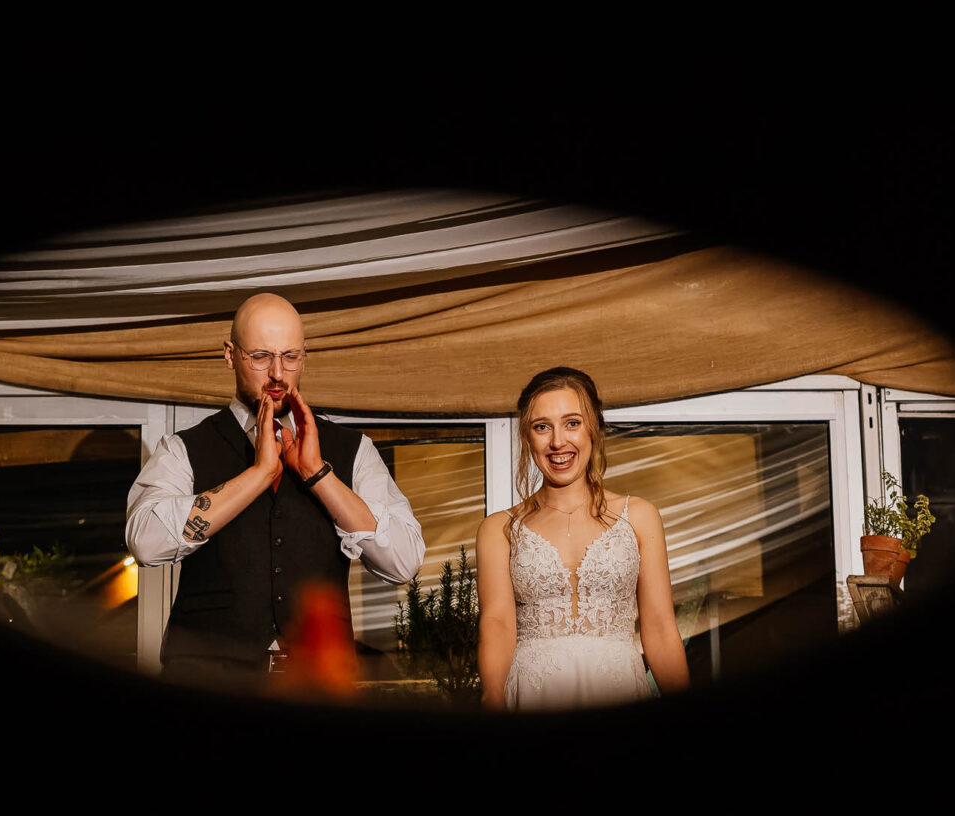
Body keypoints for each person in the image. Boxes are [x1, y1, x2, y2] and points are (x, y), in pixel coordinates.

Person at [126, 293, 425, 692]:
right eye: (261, 356)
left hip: (318, 684)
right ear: (230, 355)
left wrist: (318, 474)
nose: (278, 374)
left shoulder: (353, 451)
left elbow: (404, 562)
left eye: (291, 356)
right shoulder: (182, 450)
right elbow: (145, 543)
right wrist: (260, 473)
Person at [477, 367, 690, 710]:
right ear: (527, 437)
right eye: (542, 426)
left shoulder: (639, 516)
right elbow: (498, 623)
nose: (558, 441)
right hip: (533, 694)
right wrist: (493, 698)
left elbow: (661, 628)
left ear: (594, 429)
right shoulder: (499, 529)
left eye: (572, 423)